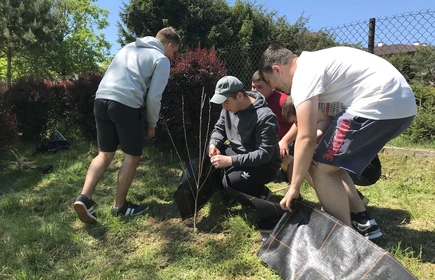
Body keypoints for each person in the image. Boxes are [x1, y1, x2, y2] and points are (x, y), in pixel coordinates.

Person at [259, 44, 416, 239]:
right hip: (401, 106)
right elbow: (322, 120)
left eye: (269, 81)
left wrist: (294, 187)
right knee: (329, 163)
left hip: (379, 103)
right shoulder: (315, 61)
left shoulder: (303, 76)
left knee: (320, 167)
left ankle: (343, 238)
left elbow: (305, 136)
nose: (274, 87)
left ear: (277, 69)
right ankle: (363, 221)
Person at [73, 27, 181, 224]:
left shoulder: (129, 48)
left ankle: (84, 198)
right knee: (132, 156)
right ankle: (120, 207)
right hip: (125, 104)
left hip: (101, 100)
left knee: (104, 154)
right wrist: (152, 124)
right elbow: (154, 97)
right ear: (170, 44)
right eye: (174, 52)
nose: (173, 57)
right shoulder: (161, 59)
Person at [208, 75, 281, 200]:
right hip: (238, 153)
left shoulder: (265, 117)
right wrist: (213, 144)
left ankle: (261, 193)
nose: (224, 107)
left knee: (234, 182)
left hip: (264, 164)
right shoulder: (228, 108)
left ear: (240, 96)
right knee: (207, 154)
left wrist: (230, 161)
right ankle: (226, 191)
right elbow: (219, 129)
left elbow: (264, 154)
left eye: (226, 102)